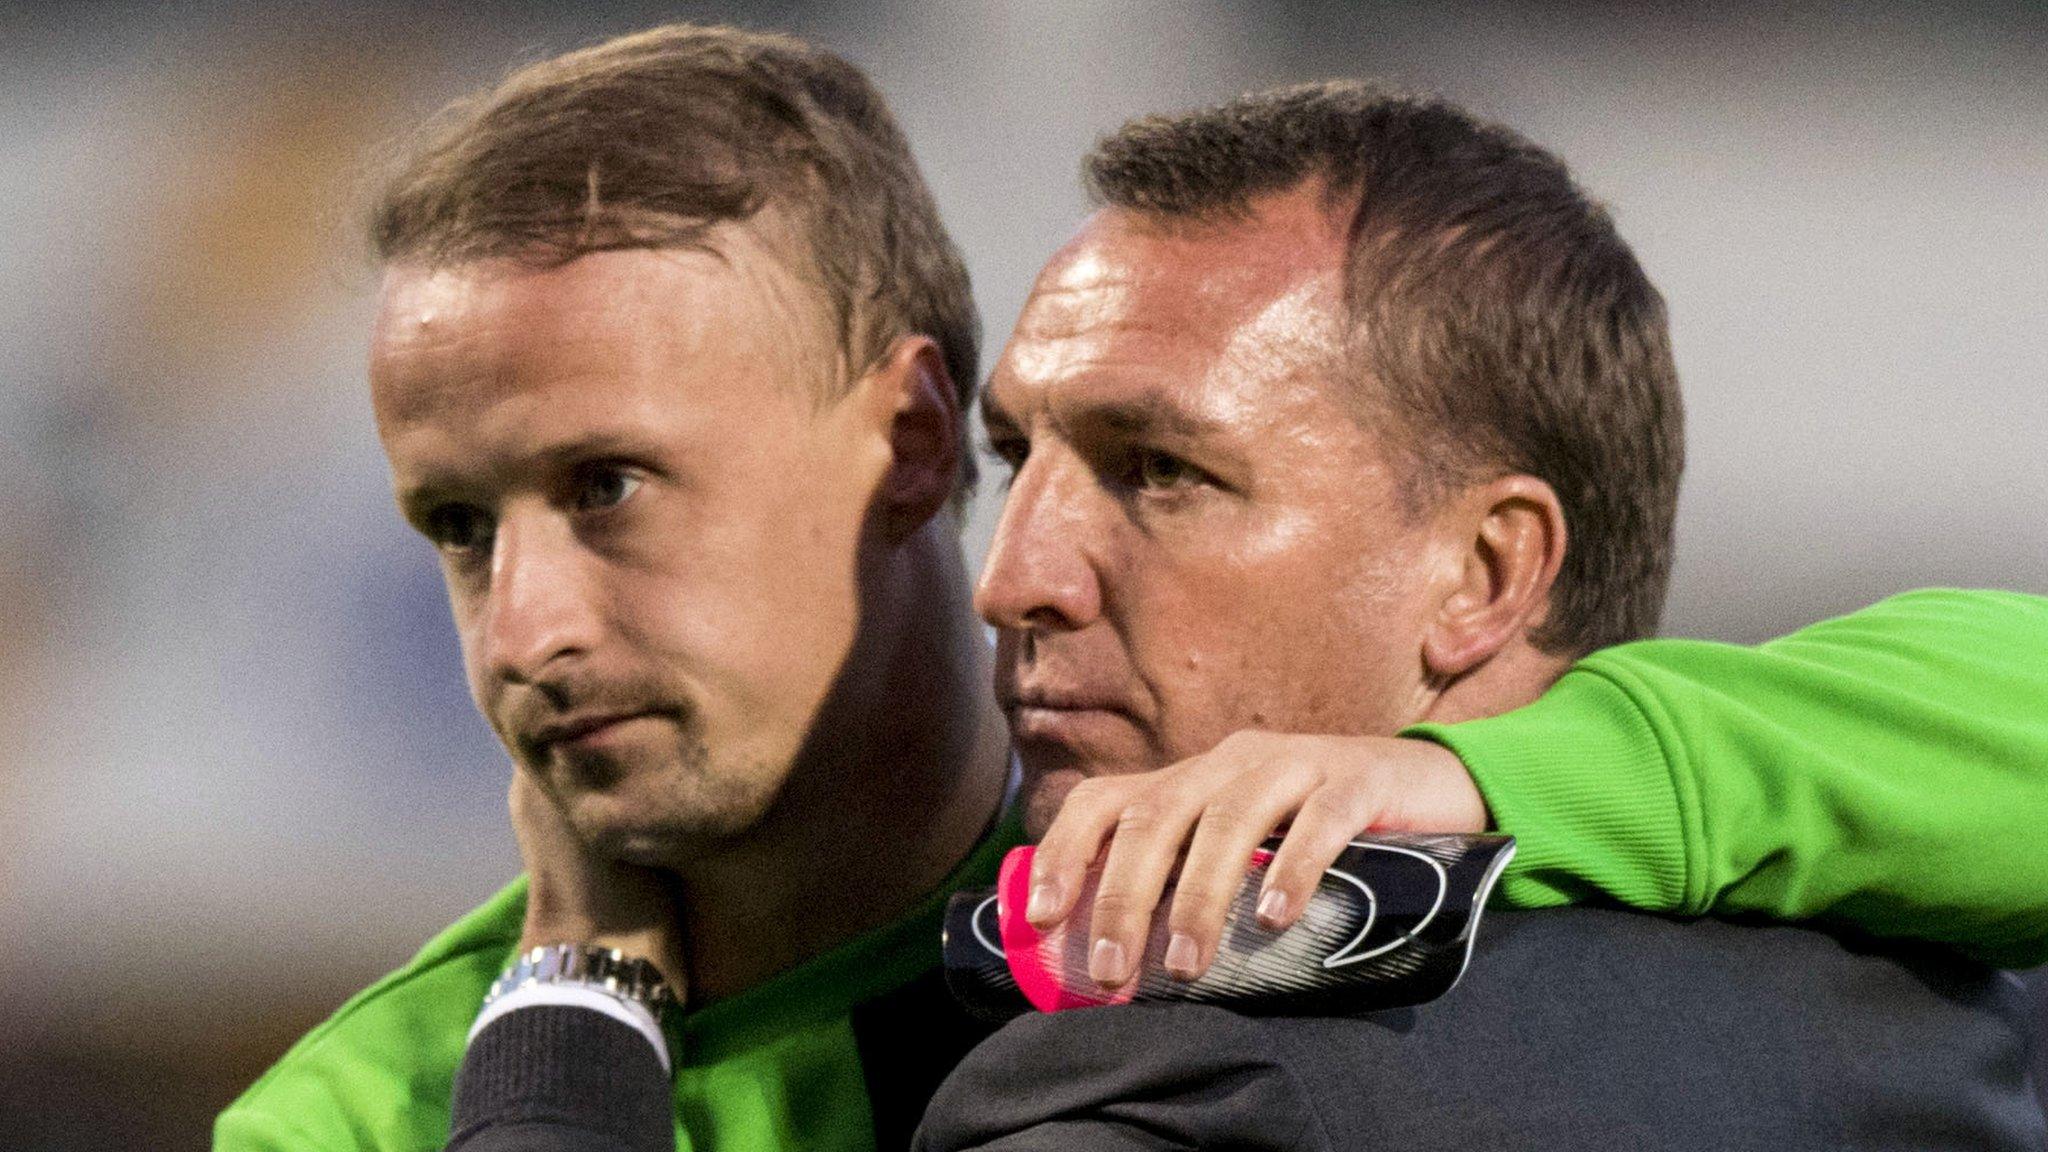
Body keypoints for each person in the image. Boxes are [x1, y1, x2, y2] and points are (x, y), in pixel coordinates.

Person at [215, 28, 2048, 1152]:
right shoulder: (364, 1110)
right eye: (453, 525)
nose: (521, 627)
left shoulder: (1202, 1005)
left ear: (903, 440)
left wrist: (1490, 776)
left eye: (607, 487)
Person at [912, 82, 2048, 1148]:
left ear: (1485, 575)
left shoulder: (1168, 1091)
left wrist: (1466, 780)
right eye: (1014, 457)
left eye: (1158, 469)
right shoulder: (1939, 998)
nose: (1012, 578)